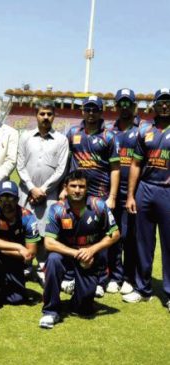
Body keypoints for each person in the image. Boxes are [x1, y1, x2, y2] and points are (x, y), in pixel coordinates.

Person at [39, 171, 120, 329]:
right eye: (73, 186)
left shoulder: (99, 206)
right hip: (66, 257)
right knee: (53, 259)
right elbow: (48, 243)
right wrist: (76, 253)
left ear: (87, 188)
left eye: (81, 186)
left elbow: (115, 234)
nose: (77, 190)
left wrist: (92, 250)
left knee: (84, 310)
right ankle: (50, 311)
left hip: (88, 259)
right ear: (66, 188)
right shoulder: (57, 209)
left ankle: (77, 299)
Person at [63, 96, 120, 297]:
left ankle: (100, 281)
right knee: (72, 236)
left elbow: (115, 168)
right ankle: (70, 275)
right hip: (76, 193)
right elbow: (67, 162)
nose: (91, 113)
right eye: (87, 109)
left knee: (100, 239)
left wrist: (112, 197)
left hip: (100, 195)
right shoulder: (72, 133)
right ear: (82, 111)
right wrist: (65, 188)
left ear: (101, 111)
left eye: (95, 109)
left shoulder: (109, 136)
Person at [123, 88, 170, 312]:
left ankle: (169, 292)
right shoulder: (145, 131)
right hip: (145, 189)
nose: (165, 105)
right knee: (143, 242)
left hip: (167, 192)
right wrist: (131, 195)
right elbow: (135, 164)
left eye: (168, 102)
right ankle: (143, 288)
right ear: (154, 105)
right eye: (161, 102)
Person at [17, 100, 68, 279]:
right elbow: (20, 165)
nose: (45, 117)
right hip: (25, 193)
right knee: (25, 229)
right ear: (36, 115)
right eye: (42, 114)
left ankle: (43, 266)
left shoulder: (62, 140)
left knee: (46, 231)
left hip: (49, 195)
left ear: (54, 116)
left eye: (49, 114)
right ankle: (25, 264)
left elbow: (62, 169)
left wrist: (43, 189)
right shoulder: (25, 137)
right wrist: (32, 188)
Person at [0, 181, 40, 310]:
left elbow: (31, 254)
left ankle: (1, 287)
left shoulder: (28, 217)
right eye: (3, 198)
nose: (6, 202)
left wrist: (0, 247)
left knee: (16, 300)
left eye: (11, 198)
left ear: (17, 199)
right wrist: (19, 247)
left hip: (16, 260)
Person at [104, 89, 139, 295]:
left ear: (134, 106)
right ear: (115, 106)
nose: (124, 107)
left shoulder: (142, 130)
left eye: (128, 103)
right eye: (121, 103)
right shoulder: (109, 131)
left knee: (130, 237)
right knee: (114, 235)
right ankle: (115, 276)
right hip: (112, 193)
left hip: (134, 193)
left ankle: (128, 276)